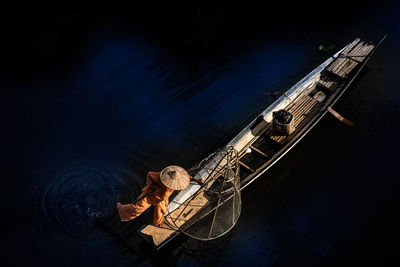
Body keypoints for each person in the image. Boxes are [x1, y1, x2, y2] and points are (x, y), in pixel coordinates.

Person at [117, 165, 203, 226]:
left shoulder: (180, 179)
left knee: (162, 210)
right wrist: (153, 185)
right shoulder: (160, 177)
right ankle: (121, 209)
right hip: (150, 194)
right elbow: (149, 174)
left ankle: (157, 222)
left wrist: (197, 180)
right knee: (137, 208)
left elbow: (188, 177)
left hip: (161, 198)